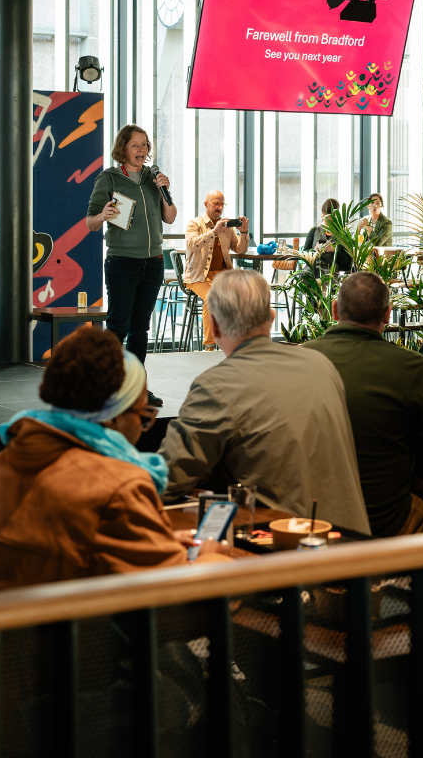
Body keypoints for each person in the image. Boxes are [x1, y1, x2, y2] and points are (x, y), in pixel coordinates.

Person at [0, 329, 228, 591]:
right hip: (65, 636)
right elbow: (180, 592)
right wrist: (212, 556)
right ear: (113, 416)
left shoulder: (5, 461)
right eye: (144, 416)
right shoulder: (119, 485)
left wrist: (160, 543)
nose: (142, 428)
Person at [159, 269, 371, 535]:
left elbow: (168, 478)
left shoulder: (217, 386)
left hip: (285, 552)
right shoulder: (321, 366)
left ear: (213, 326)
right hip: (354, 545)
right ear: (271, 318)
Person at [304, 273, 423, 537]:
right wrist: (408, 491)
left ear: (335, 309)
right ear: (387, 314)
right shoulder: (411, 366)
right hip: (385, 521)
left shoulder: (298, 358)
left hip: (307, 520)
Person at [86, 124, 176, 363]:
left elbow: (170, 217)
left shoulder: (153, 179)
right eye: (134, 144)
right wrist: (102, 215)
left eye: (144, 144)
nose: (141, 149)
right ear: (123, 149)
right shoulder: (109, 179)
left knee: (141, 328)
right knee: (118, 326)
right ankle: (108, 384)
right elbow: (90, 223)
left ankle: (136, 386)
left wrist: (166, 190)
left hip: (153, 262)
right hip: (122, 263)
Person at [184, 191, 249, 351]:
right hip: (198, 276)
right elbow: (191, 245)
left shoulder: (227, 227)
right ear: (206, 204)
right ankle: (210, 346)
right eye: (216, 203)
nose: (219, 207)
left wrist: (244, 231)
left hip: (223, 275)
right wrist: (213, 232)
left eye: (222, 204)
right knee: (211, 298)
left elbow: (240, 249)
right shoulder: (194, 224)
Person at [305, 198, 353, 272]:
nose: (327, 219)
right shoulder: (314, 230)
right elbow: (304, 253)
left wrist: (334, 250)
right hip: (312, 269)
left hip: (330, 271)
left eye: (330, 216)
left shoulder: (342, 234)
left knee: (326, 281)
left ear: (336, 215)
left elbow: (347, 261)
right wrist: (314, 250)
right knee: (302, 278)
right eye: (324, 215)